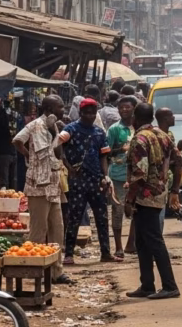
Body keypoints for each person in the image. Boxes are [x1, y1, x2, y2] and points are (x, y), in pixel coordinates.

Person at [124, 103, 182, 300]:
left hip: (145, 197)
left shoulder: (139, 139)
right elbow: (179, 160)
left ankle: (170, 285)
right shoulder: (163, 135)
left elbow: (139, 174)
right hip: (159, 194)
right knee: (142, 242)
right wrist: (174, 189)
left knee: (155, 242)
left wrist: (129, 201)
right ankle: (147, 284)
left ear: (136, 118)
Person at [13, 95, 71, 284]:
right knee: (39, 229)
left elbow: (56, 151)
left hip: (53, 185)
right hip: (37, 185)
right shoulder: (35, 125)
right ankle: (34, 271)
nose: (63, 109)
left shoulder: (54, 126)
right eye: (60, 106)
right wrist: (28, 158)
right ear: (48, 109)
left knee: (57, 228)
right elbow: (17, 140)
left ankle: (56, 271)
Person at [60, 98, 121, 264]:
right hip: (77, 181)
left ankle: (106, 253)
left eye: (93, 113)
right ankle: (69, 254)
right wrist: (68, 167)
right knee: (74, 218)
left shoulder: (99, 132)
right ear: (80, 113)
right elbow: (59, 148)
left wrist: (105, 176)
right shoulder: (70, 129)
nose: (90, 115)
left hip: (96, 181)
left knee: (102, 218)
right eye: (86, 112)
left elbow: (104, 156)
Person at [107, 95, 137, 258]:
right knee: (117, 211)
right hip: (118, 176)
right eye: (121, 108)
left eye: (127, 107)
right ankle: (118, 247)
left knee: (136, 211)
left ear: (134, 108)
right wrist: (120, 149)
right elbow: (105, 152)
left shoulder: (138, 128)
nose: (124, 110)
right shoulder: (114, 129)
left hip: (137, 177)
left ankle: (131, 244)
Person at [0, 100, 15, 190]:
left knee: (3, 180)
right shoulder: (11, 117)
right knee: (11, 179)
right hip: (12, 152)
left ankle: (6, 199)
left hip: (2, 153)